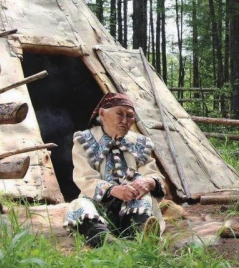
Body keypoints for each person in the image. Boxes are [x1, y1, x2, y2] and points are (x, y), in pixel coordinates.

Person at [63, 92, 166, 247]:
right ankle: (106, 241)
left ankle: (141, 236)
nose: (125, 120)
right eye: (119, 114)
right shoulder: (84, 141)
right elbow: (84, 178)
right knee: (80, 205)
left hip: (131, 202)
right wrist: (113, 190)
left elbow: (151, 172)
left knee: (144, 199)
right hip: (98, 203)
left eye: (129, 116)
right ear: (102, 114)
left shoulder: (140, 143)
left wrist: (148, 182)